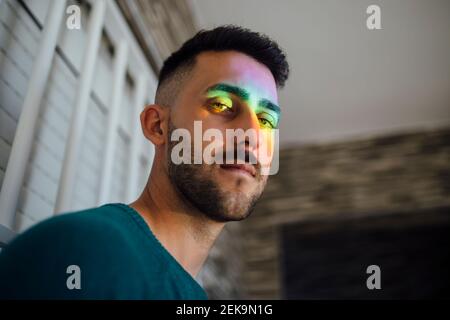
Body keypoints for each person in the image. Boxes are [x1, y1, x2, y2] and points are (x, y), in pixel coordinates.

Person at [0, 25, 289, 299]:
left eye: (266, 120)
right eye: (222, 105)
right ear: (157, 126)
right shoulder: (82, 251)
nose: (252, 133)